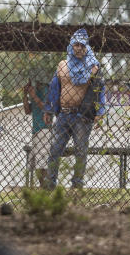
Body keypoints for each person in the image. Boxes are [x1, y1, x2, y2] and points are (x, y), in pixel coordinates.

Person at [43, 29, 105, 189]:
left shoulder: (93, 66)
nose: (79, 48)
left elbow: (100, 88)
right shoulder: (63, 65)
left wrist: (100, 112)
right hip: (63, 114)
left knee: (81, 152)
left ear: (87, 48)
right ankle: (50, 184)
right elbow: (53, 88)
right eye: (76, 44)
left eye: (82, 46)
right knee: (55, 150)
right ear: (71, 46)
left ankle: (77, 185)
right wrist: (48, 109)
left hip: (81, 116)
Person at [23, 73, 52, 187]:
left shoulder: (47, 89)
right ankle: (43, 186)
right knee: (37, 163)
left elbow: (46, 107)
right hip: (36, 130)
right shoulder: (35, 91)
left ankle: (45, 186)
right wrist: (25, 94)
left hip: (45, 130)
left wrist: (33, 95)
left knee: (42, 163)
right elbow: (27, 110)